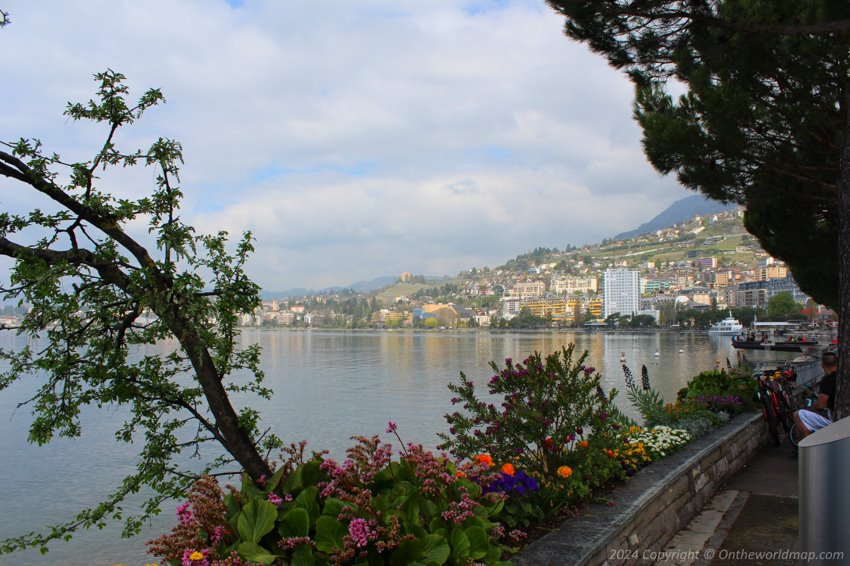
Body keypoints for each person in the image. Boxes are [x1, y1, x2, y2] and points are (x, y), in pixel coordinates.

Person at [793, 351, 838, 439]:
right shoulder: (841, 376)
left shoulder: (828, 380)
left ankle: (808, 444)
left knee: (798, 414)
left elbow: (820, 405)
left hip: (835, 420)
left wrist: (813, 406)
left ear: (822, 365)